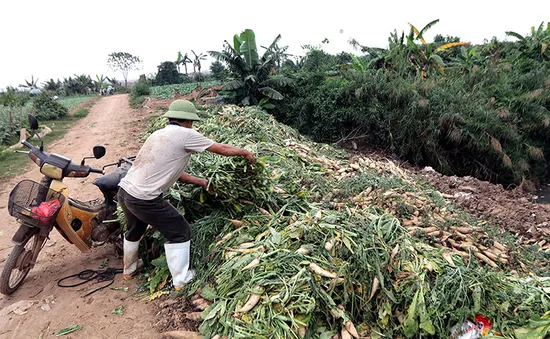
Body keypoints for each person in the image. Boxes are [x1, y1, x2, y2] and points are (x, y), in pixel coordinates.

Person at [117, 99, 255, 290]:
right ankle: (182, 279)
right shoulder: (186, 134)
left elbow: (173, 172)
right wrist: (244, 152)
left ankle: (129, 270)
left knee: (135, 229)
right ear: (188, 121)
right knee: (180, 230)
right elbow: (221, 149)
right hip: (144, 198)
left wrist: (201, 182)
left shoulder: (158, 134)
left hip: (124, 191)